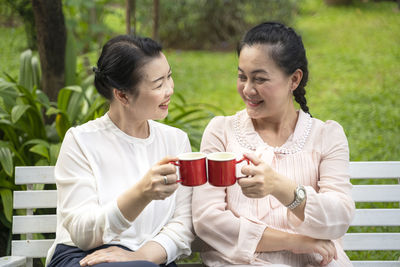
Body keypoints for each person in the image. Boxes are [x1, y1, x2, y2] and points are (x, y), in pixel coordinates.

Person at [192, 22, 355, 266]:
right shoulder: (221, 132)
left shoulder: (326, 135)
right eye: (242, 76)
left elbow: (339, 217)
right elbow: (207, 220)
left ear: (294, 79)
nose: (247, 89)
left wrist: (280, 187)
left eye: (259, 79)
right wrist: (294, 242)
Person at [46, 35, 194, 267]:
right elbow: (83, 235)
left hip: (150, 259)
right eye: (158, 84)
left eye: (169, 77)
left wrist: (140, 256)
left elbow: (183, 225)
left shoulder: (176, 141)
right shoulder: (81, 141)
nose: (170, 90)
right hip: (84, 257)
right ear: (122, 95)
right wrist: (141, 194)